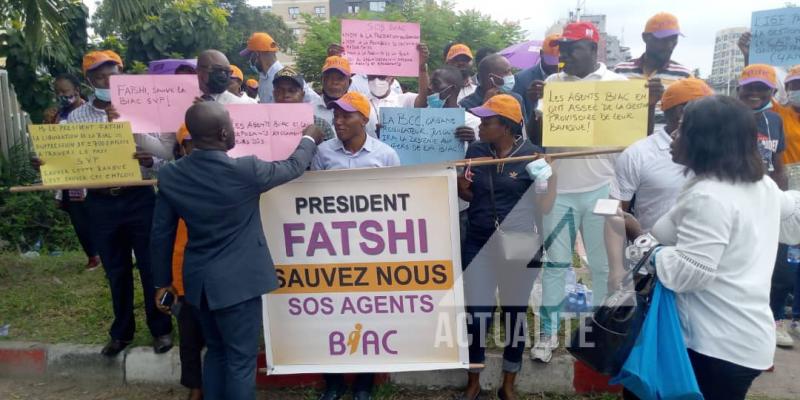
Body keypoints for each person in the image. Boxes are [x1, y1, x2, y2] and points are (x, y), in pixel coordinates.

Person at [151, 101, 324, 400]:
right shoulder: (246, 170)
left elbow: (160, 234)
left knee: (216, 351)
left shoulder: (171, 175)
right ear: (223, 133)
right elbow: (293, 167)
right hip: (239, 286)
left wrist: (161, 282)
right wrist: (310, 137)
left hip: (199, 283)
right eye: (231, 124)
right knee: (241, 361)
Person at [638, 95, 800, 400]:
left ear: (705, 139)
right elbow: (793, 215)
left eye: (682, 128)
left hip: (714, 346)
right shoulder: (759, 185)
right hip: (742, 340)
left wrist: (644, 244)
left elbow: (691, 272)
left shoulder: (709, 196)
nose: (672, 135)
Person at [526, 21, 660, 363]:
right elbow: (541, 137)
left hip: (603, 187)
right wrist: (535, 106)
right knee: (554, 264)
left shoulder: (619, 85)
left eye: (573, 48)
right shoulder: (554, 83)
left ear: (593, 49)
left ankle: (599, 334)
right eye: (563, 48)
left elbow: (638, 139)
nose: (566, 54)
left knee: (603, 265)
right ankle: (547, 332)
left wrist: (648, 105)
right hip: (559, 188)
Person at [64, 50, 173, 356]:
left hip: (139, 197)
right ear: (88, 81)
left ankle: (161, 330)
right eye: (100, 77)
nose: (107, 82)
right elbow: (69, 161)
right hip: (100, 202)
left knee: (153, 268)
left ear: (122, 76)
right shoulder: (75, 119)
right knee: (116, 270)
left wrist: (149, 158)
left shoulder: (143, 111)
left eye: (113, 76)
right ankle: (121, 332)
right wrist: (48, 163)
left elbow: (163, 159)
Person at [456, 94, 555, 400]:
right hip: (479, 242)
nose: (481, 125)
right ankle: (474, 380)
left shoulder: (532, 157)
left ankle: (508, 383)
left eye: (488, 121)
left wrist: (545, 182)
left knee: (514, 314)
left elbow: (547, 206)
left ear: (507, 126)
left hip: (520, 243)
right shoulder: (476, 150)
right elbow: (473, 196)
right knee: (478, 314)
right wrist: (462, 185)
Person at [311, 91, 399, 400]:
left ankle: (364, 383)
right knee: (331, 315)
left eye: (346, 115)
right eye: (336, 115)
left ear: (364, 119)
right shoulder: (322, 153)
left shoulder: (386, 155)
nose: (338, 121)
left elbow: (397, 204)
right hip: (330, 249)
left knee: (368, 315)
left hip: (371, 252)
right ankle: (333, 382)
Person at [606, 78, 713, 288]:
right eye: (706, 108)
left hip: (703, 267)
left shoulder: (718, 154)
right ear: (679, 112)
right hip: (650, 268)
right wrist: (617, 268)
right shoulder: (638, 154)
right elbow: (614, 213)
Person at [42, 73, 100, 270]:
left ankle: (104, 251)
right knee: (77, 215)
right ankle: (92, 255)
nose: (61, 96)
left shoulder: (89, 112)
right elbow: (51, 146)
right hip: (69, 176)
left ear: (76, 90)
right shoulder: (57, 115)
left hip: (92, 172)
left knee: (93, 213)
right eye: (57, 92)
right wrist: (48, 126)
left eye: (65, 92)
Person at [165, 125, 204, 400]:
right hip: (183, 277)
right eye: (190, 143)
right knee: (189, 339)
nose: (196, 148)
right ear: (181, 149)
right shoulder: (171, 184)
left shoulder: (227, 178)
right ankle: (195, 387)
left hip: (216, 275)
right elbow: (161, 237)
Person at [613, 12, 691, 134]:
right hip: (625, 142)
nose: (670, 45)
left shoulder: (684, 76)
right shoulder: (621, 71)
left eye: (673, 40)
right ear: (645, 38)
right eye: (664, 40)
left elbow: (687, 119)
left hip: (667, 147)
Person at [241, 32, 319, 104]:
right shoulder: (263, 79)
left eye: (249, 57)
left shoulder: (288, 78)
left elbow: (316, 103)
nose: (249, 61)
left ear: (256, 54)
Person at [312, 56, 378, 137]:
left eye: (340, 78)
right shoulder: (309, 109)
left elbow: (372, 138)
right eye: (329, 78)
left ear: (349, 82)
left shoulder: (363, 108)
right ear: (322, 80)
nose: (334, 82)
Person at [273, 66, 336, 141]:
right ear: (274, 94)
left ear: (302, 95)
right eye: (280, 91)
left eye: (292, 90)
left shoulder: (320, 125)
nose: (286, 95)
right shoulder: (262, 125)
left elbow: (331, 151)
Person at [459, 54, 526, 121]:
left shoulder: (516, 99)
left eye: (510, 71)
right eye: (506, 72)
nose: (511, 75)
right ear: (491, 78)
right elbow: (475, 129)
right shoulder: (466, 105)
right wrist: (484, 107)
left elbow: (521, 129)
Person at [513, 34, 560, 122]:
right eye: (551, 61)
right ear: (541, 54)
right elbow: (516, 114)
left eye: (559, 61)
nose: (556, 66)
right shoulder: (521, 79)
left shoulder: (571, 78)